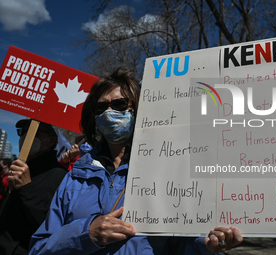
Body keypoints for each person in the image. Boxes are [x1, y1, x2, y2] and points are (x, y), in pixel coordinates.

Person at [29, 68, 243, 255]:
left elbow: (180, 248)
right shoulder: (74, 177)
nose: (109, 112)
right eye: (100, 108)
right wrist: (86, 234)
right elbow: (39, 248)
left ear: (139, 109)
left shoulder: (168, 173)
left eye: (120, 104)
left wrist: (205, 247)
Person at [0, 120, 68, 255]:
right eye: (22, 132)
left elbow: (48, 221)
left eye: (33, 132)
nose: (25, 137)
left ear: (50, 141)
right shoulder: (24, 168)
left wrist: (26, 187)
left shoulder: (59, 174)